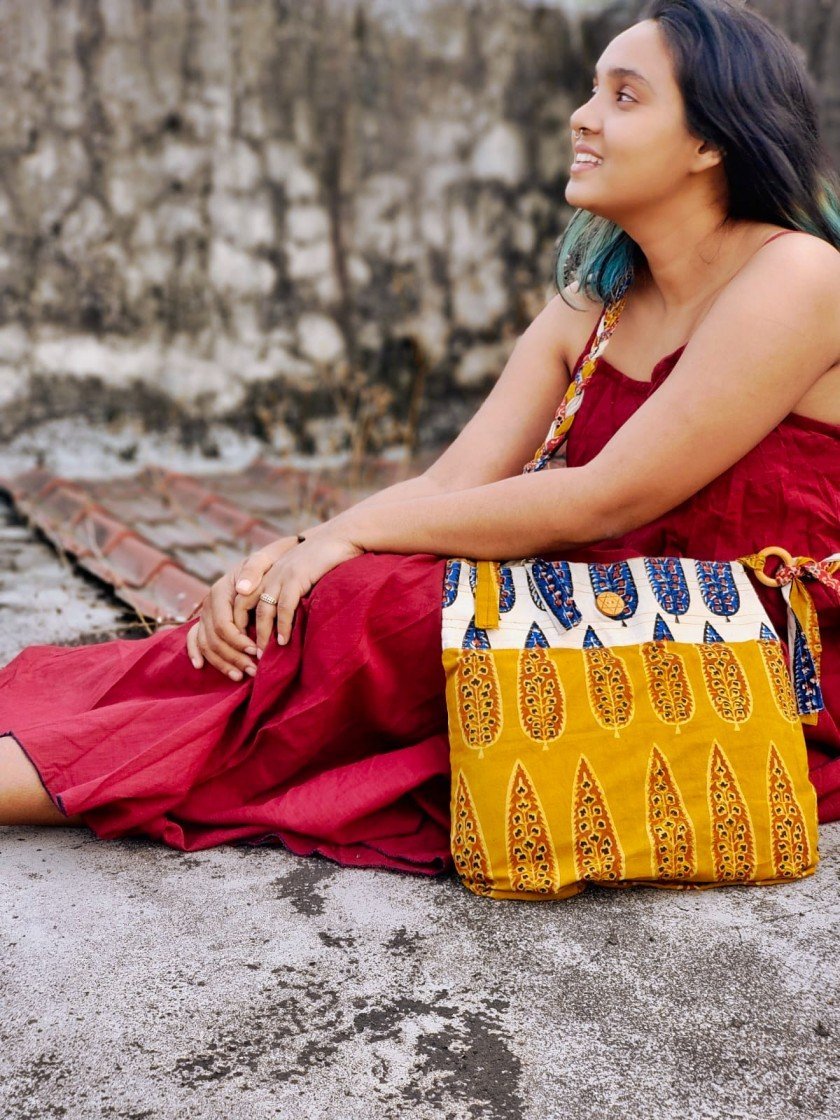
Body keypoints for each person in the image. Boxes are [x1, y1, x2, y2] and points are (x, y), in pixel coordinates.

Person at [1, 0, 839, 874]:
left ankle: (64, 774)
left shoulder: (797, 273)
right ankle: (63, 753)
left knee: (372, 614)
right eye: (592, 90)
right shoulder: (596, 304)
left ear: (711, 142)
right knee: (292, 609)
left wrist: (345, 539)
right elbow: (450, 488)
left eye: (624, 98)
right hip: (595, 624)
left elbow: (607, 497)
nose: (581, 117)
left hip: (756, 663)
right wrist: (284, 553)